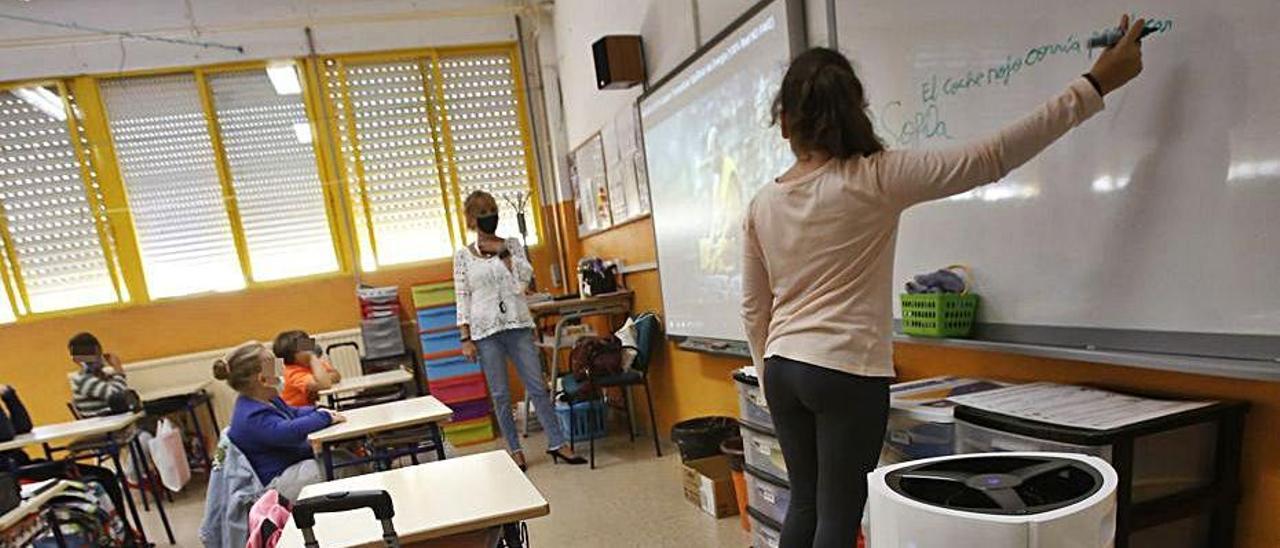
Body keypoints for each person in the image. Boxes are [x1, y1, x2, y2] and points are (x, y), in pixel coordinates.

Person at [740, 16, 1146, 548]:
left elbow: (753, 307)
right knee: (839, 518)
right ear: (852, 112)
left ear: (785, 121)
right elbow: (990, 158)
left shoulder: (762, 202)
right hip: (845, 371)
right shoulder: (875, 177)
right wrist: (1093, 85)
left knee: (807, 505)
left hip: (784, 369)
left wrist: (768, 371)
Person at [453, 190, 585, 471]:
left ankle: (558, 443)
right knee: (500, 394)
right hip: (485, 331)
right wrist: (465, 337)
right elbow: (462, 295)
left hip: (518, 324)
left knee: (538, 386)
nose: (490, 218)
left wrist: (503, 255)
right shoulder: (463, 256)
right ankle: (514, 449)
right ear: (473, 220)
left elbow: (524, 280)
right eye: (483, 214)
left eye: (493, 212)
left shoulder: (511, 245)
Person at [214, 341, 345, 501]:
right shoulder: (251, 416)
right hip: (277, 484)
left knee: (341, 457)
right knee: (343, 467)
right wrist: (323, 417)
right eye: (276, 368)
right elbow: (288, 432)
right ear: (262, 380)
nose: (282, 372)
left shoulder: (269, 399)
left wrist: (317, 410)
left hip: (291, 468)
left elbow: (293, 412)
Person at [0, 384, 128, 519]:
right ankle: (119, 531)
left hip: (24, 466)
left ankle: (124, 531)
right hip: (12, 476)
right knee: (99, 478)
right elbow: (5, 435)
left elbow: (23, 427)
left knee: (104, 475)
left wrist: (9, 395)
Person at [68, 332, 136, 418]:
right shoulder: (83, 379)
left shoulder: (102, 376)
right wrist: (118, 369)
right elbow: (117, 396)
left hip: (114, 421)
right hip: (105, 425)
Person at [273, 330, 342, 408]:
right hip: (295, 412)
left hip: (308, 408)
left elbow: (336, 375)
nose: (310, 348)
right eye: (305, 346)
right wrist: (312, 356)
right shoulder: (292, 372)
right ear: (293, 354)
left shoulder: (311, 364)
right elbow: (325, 384)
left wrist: (322, 379)